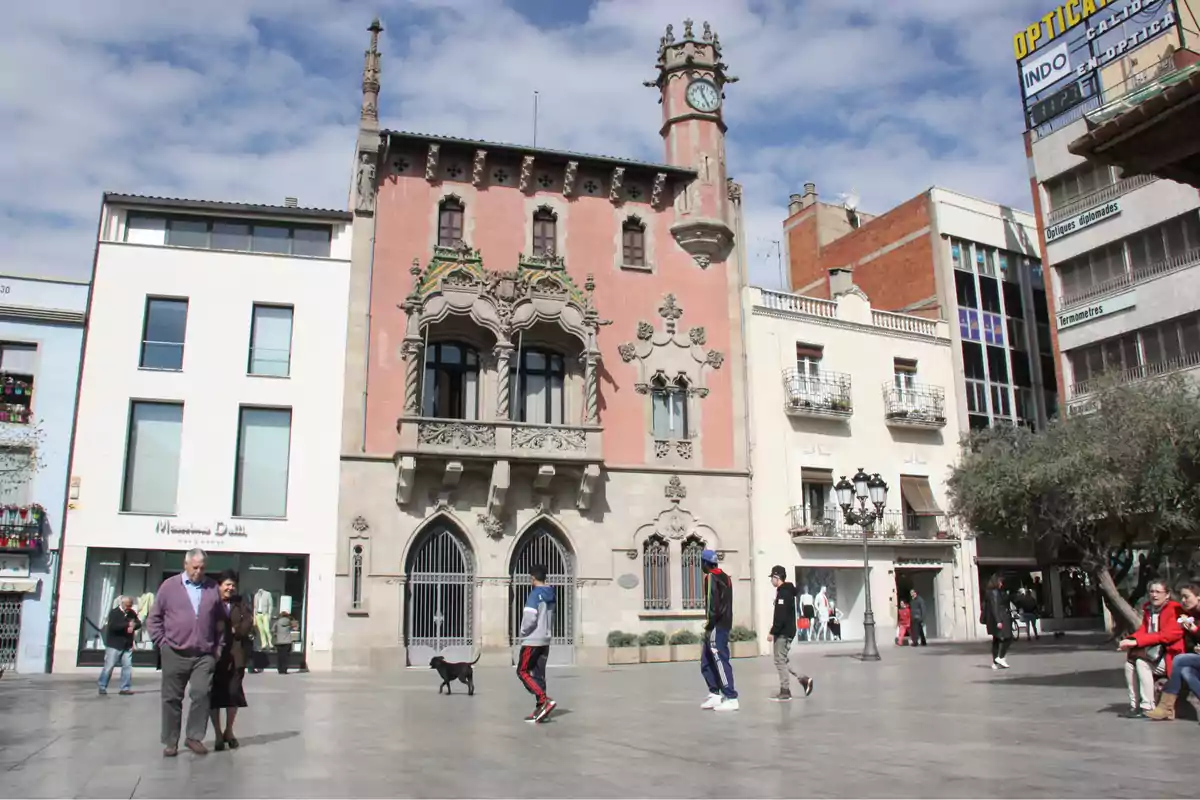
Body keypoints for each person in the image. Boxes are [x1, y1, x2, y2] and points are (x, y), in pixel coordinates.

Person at [147, 548, 223, 757]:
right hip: (174, 651)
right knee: (171, 698)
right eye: (195, 567)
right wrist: (162, 643)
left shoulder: (212, 588)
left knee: (201, 693)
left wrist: (218, 649)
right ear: (185, 565)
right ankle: (171, 741)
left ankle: (194, 737)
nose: (199, 571)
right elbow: (154, 619)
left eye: (202, 568)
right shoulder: (170, 586)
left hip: (203, 653)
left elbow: (219, 622)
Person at [1118, 579, 1184, 718]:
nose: (1154, 595)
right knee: (1129, 664)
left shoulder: (1175, 609)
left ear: (1167, 594)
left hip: (1170, 656)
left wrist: (1137, 642)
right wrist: (1130, 640)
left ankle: (1147, 706)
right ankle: (1134, 705)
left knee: (1142, 663)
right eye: (1151, 591)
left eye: (1158, 592)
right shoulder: (1149, 609)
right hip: (1154, 654)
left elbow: (1167, 636)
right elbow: (1143, 630)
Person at [210, 571, 253, 751]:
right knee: (215, 697)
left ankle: (229, 730)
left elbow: (248, 621)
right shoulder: (211, 602)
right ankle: (218, 734)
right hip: (216, 657)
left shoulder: (240, 602)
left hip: (237, 655)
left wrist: (236, 630)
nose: (230, 588)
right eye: (227, 584)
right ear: (219, 585)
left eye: (233, 585)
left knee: (233, 694)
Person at [1147, 581, 1200, 721]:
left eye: (1186, 597)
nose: (1183, 600)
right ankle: (1166, 708)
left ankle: (1165, 707)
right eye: (1181, 597)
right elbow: (1188, 642)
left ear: (1198, 597)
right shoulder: (1190, 616)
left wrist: (1195, 630)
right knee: (1185, 671)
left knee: (1180, 660)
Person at [515, 564, 557, 723]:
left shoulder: (534, 595)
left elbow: (529, 619)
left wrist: (523, 632)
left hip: (533, 640)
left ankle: (543, 699)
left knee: (522, 671)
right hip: (545, 640)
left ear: (532, 578)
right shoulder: (551, 593)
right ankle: (541, 708)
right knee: (539, 674)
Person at [766, 565, 813, 702]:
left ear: (777, 578)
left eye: (772, 578)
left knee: (779, 660)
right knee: (783, 659)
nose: (771, 581)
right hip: (787, 631)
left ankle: (785, 691)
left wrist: (772, 632)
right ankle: (804, 679)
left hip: (783, 633)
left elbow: (780, 616)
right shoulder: (786, 592)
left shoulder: (783, 593)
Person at [699, 549, 738, 711]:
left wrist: (709, 623)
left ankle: (730, 696)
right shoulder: (726, 577)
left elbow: (711, 604)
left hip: (717, 625)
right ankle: (715, 694)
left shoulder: (711, 577)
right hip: (724, 622)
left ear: (706, 563)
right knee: (706, 659)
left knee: (719, 659)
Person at [98, 595, 141, 696]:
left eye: (130, 605)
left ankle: (125, 688)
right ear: (121, 603)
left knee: (127, 666)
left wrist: (134, 625)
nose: (128, 608)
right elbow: (113, 627)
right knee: (109, 666)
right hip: (115, 644)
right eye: (127, 605)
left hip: (127, 644)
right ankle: (102, 686)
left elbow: (138, 623)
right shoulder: (114, 613)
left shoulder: (131, 613)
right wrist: (127, 625)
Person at [981, 573, 1014, 669]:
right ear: (996, 582)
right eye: (1000, 582)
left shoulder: (990, 592)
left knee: (996, 640)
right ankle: (1001, 657)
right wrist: (998, 621)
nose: (1001, 584)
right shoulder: (994, 593)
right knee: (1008, 638)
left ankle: (995, 662)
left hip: (994, 620)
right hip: (1000, 618)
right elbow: (995, 607)